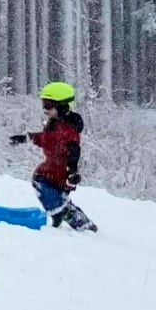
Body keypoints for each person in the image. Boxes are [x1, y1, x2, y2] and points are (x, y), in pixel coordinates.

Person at [9, 81, 97, 230]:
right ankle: (63, 213)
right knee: (46, 187)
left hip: (60, 172)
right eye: (44, 104)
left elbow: (74, 150)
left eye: (49, 105)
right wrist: (25, 138)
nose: (45, 109)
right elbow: (45, 139)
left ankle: (75, 221)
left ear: (62, 106)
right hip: (52, 169)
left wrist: (73, 171)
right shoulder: (55, 124)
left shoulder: (67, 130)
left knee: (43, 184)